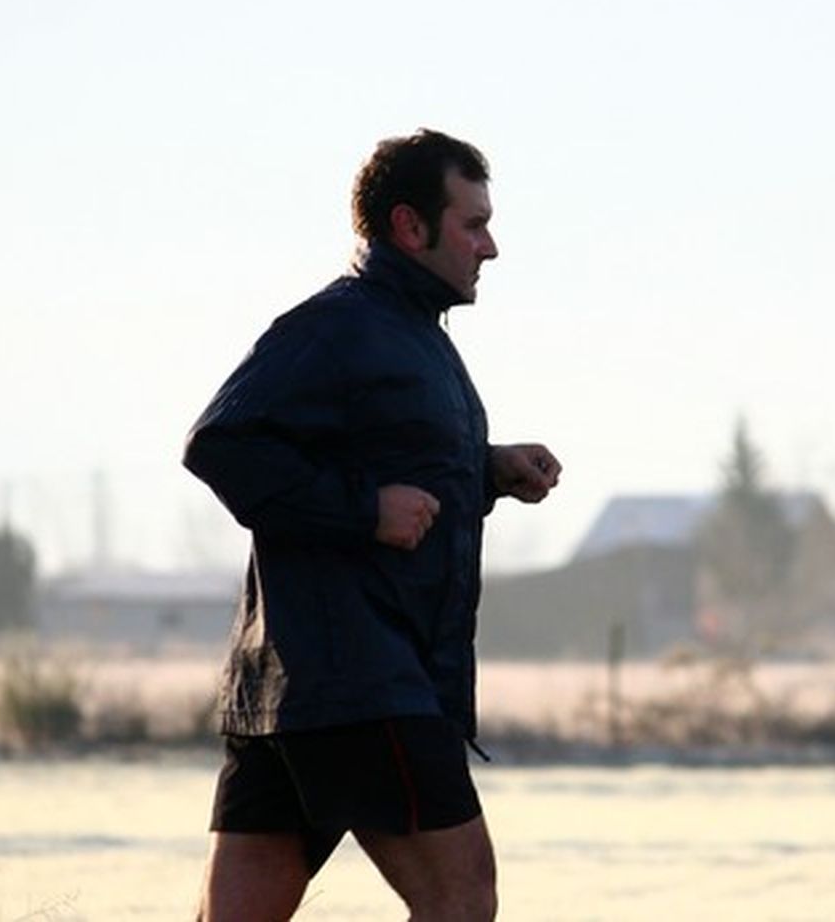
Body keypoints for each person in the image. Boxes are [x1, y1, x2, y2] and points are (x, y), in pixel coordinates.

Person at [183, 129, 561, 921]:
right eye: (472, 224)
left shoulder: (413, 337)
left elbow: (390, 467)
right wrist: (364, 509)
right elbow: (221, 445)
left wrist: (487, 470)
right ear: (408, 226)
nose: (489, 247)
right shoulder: (337, 326)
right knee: (461, 898)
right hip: (358, 680)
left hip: (294, 690)